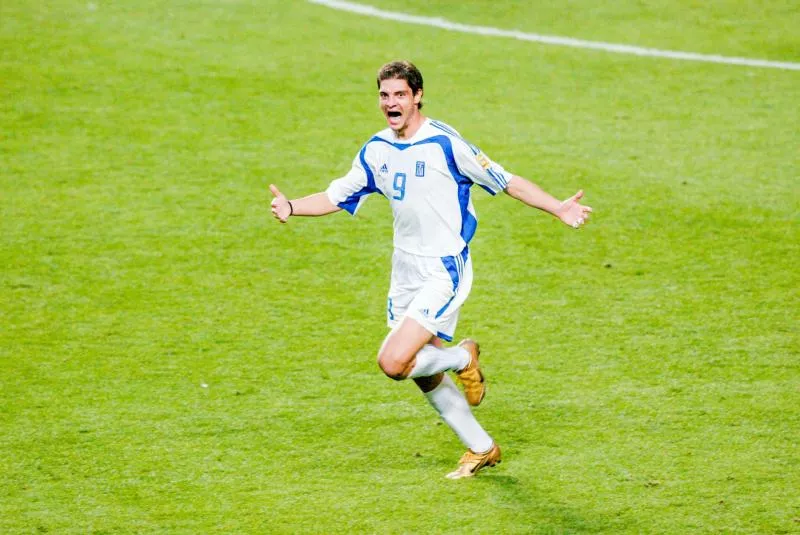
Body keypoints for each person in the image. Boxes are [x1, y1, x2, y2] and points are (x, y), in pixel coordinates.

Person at [269, 60, 592, 479]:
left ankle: (463, 356)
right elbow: (335, 196)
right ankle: (482, 448)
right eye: (384, 95)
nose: (391, 103)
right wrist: (292, 206)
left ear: (418, 96)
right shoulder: (376, 150)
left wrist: (557, 207)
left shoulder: (445, 144)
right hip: (404, 269)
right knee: (423, 370)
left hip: (444, 269)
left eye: (400, 94)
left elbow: (506, 180)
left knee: (393, 362)